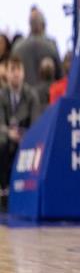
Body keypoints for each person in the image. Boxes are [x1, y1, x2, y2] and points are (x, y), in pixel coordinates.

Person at [0, 55, 40, 209]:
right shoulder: (2, 95)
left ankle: (27, 190)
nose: (16, 74)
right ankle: (4, 188)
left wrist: (25, 136)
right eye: (12, 70)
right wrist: (9, 133)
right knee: (2, 143)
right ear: (7, 74)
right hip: (7, 137)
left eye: (18, 70)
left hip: (26, 138)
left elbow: (36, 124)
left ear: (23, 73)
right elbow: (0, 124)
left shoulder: (31, 95)